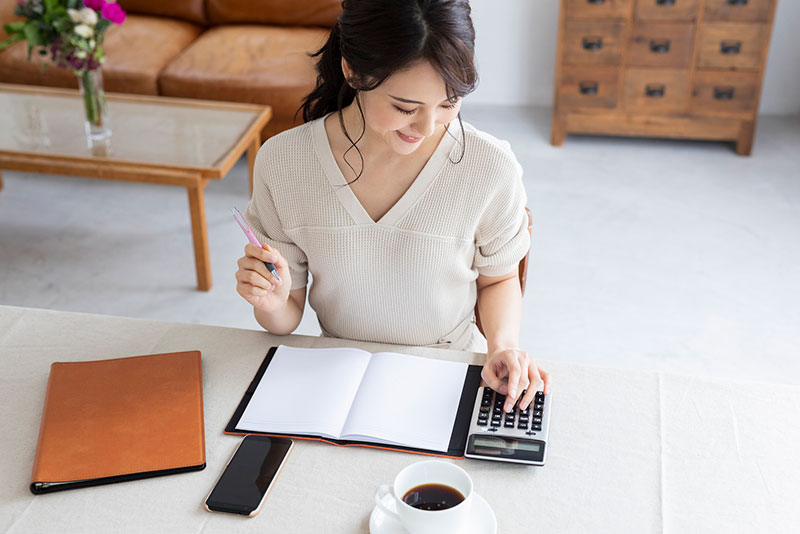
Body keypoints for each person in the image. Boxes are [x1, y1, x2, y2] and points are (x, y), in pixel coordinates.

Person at [235, 0, 549, 412]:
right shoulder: (284, 163)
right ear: (353, 71)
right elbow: (287, 315)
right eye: (405, 107)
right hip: (335, 374)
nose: (428, 127)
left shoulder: (489, 167)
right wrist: (271, 303)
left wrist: (502, 346)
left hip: (446, 369)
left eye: (449, 102)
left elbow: (498, 280)